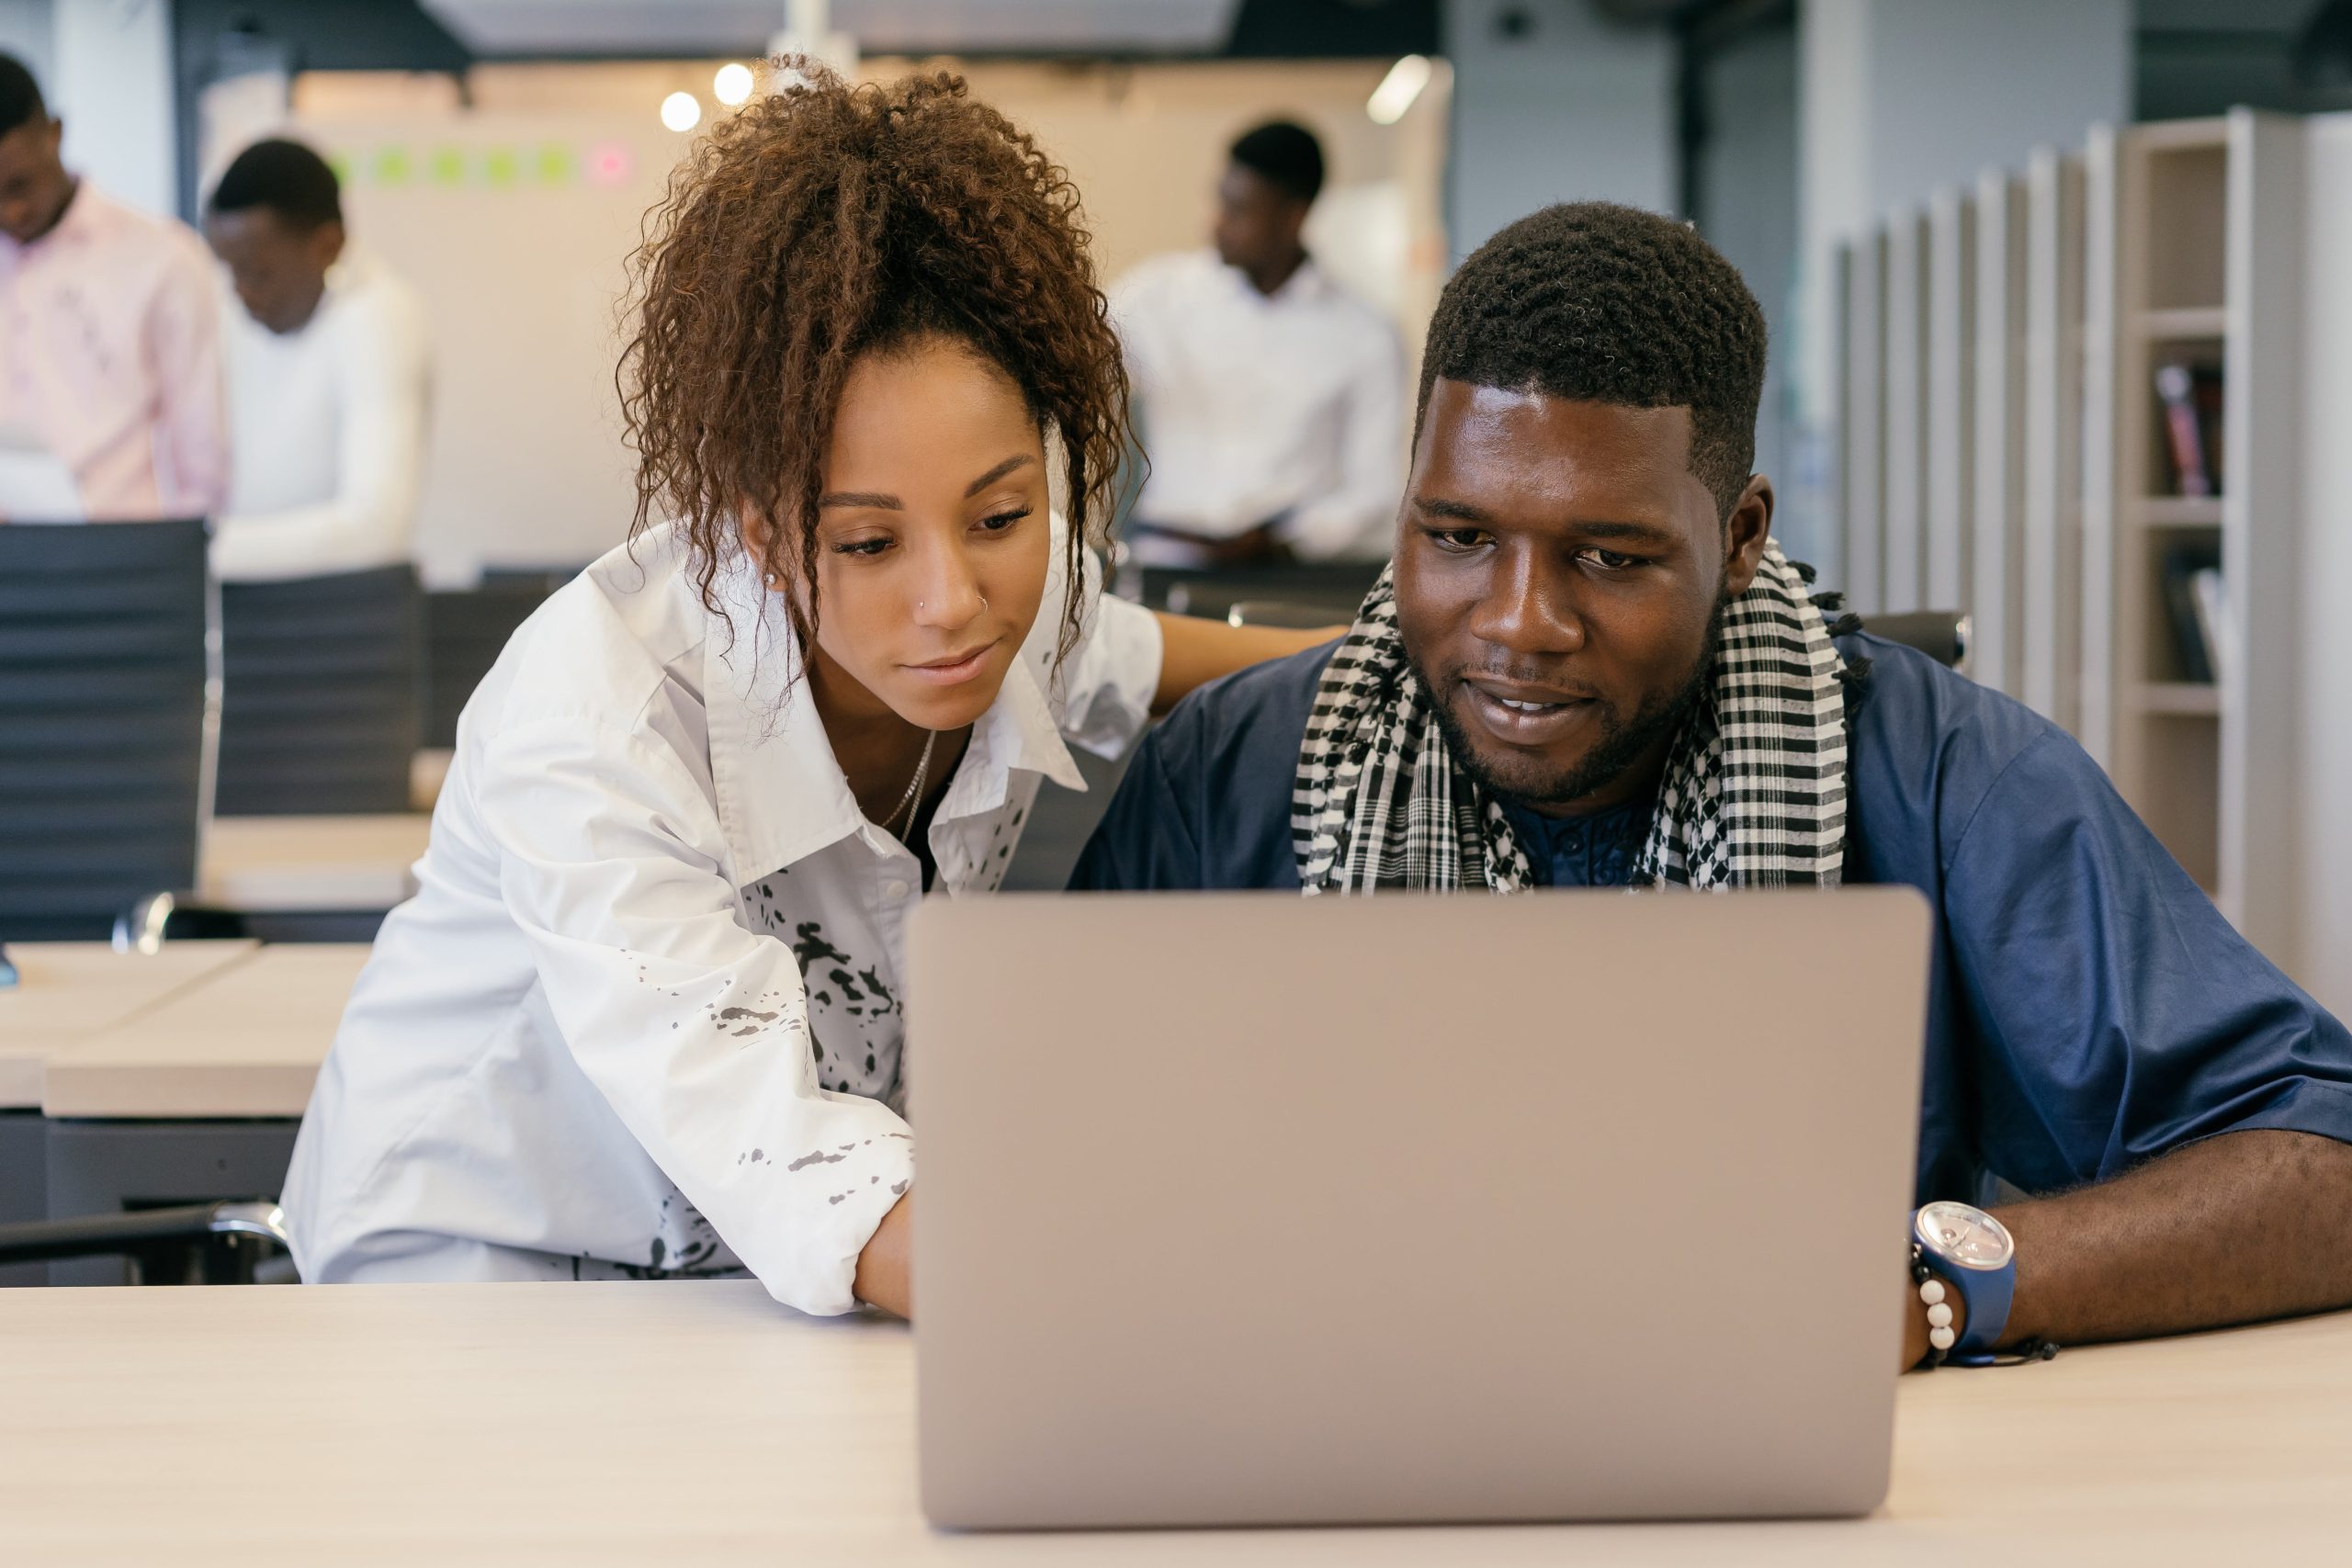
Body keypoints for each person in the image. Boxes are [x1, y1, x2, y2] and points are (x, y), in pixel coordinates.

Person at [1073, 202, 2352, 1369]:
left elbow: (2321, 1160)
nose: (1519, 623)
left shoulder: (1949, 779)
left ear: (1739, 536)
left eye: (1610, 555)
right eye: (1457, 535)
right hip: (1333, 1419)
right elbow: (1057, 1181)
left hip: (1784, 1437)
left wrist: (1926, 1288)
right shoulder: (1228, 773)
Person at [280, 66, 1334, 1316]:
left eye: (1001, 512)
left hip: (752, 1282)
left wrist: (1469, 643)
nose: (955, 600)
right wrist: (1256, 1289)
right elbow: (774, 1143)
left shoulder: (1019, 609)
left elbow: (1232, 665)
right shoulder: (600, 716)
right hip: (471, 1278)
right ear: (759, 529)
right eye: (868, 542)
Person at [1113, 119, 1403, 567]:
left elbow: (1375, 490)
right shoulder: (1156, 296)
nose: (1219, 225)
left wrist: (1283, 541)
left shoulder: (1366, 336)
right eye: (1222, 203)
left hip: (1286, 574)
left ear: (1293, 216)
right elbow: (1075, 353)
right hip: (1164, 558)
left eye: (1241, 211)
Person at [0, 51, 227, 522]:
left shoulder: (163, 259)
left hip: (115, 562)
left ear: (55, 134)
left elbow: (203, 462)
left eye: (19, 186)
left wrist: (176, 571)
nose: (10, 213)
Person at [205, 137, 431, 582]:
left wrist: (200, 552)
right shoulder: (240, 311)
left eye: (258, 272)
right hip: (248, 601)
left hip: (337, 617)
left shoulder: (377, 316)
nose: (240, 291)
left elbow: (375, 526)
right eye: (229, 270)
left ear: (327, 244)